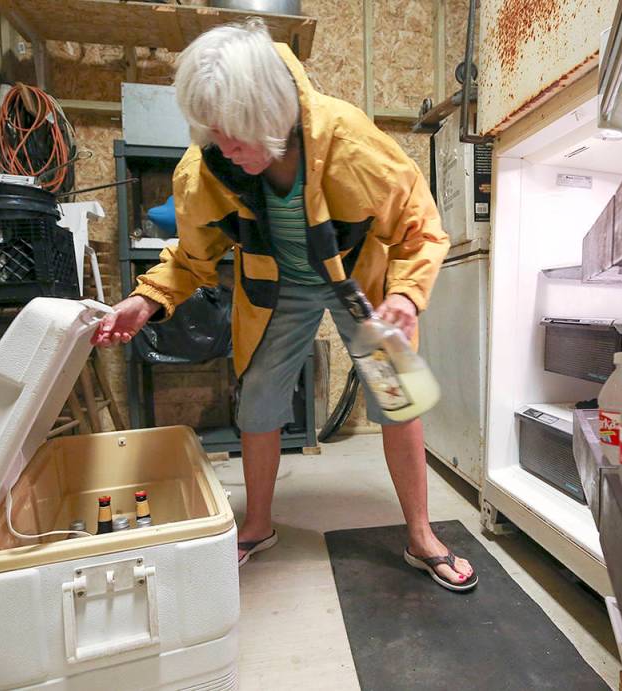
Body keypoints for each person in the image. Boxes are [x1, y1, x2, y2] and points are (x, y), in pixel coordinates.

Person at [93, 20, 476, 591]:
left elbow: (421, 229)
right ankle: (258, 525)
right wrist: (145, 301)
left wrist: (404, 294)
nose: (225, 150)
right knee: (259, 401)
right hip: (278, 289)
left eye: (236, 137)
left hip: (358, 282)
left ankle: (421, 536)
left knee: (398, 398)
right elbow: (192, 257)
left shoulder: (353, 144)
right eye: (213, 135)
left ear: (272, 115)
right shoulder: (205, 169)